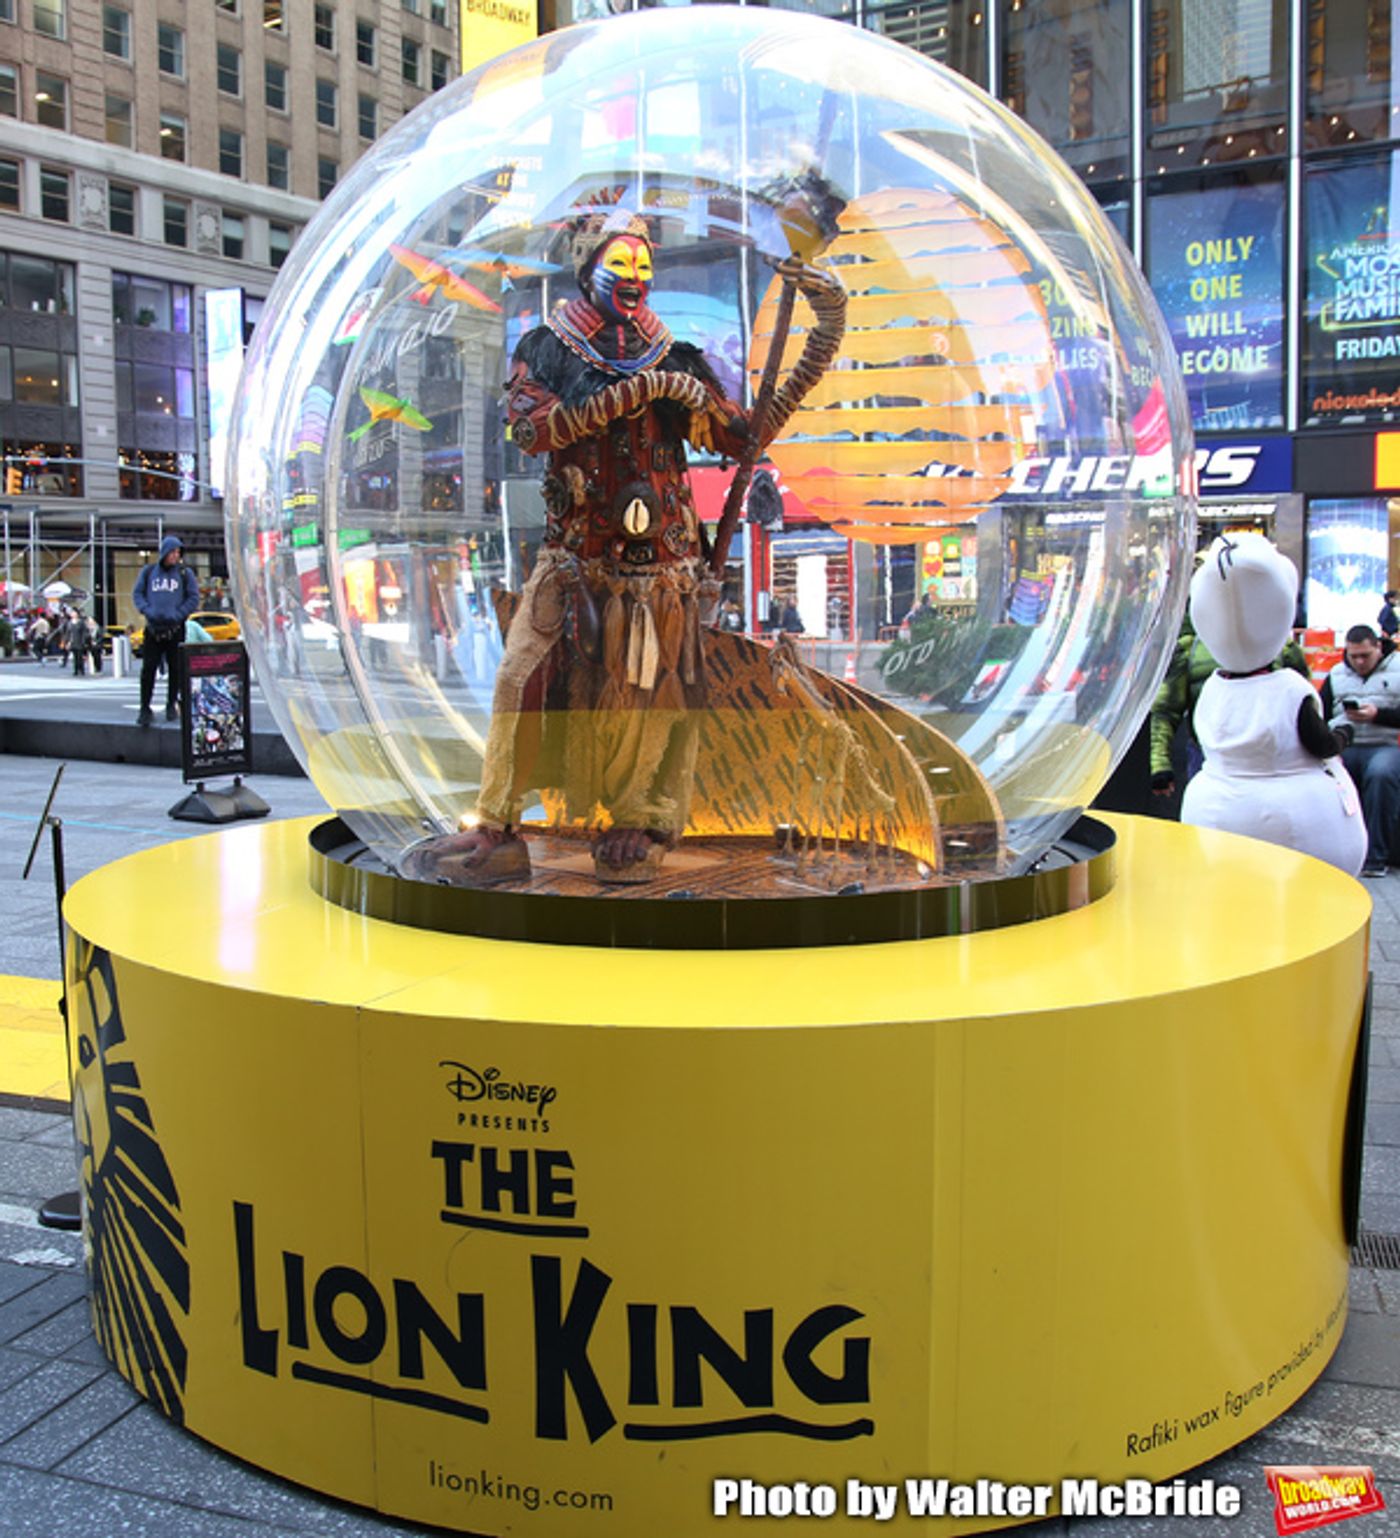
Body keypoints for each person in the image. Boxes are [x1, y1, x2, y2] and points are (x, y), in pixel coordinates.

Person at [415, 208, 845, 882]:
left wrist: (824, 334)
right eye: (621, 264)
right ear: (589, 269)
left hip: (660, 569)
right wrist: (635, 393)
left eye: (644, 265)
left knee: (645, 699)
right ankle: (497, 825)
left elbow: (742, 437)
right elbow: (532, 431)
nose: (635, 278)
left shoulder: (675, 355)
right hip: (574, 556)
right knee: (521, 676)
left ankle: (636, 821)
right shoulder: (549, 349)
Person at [1181, 534, 1366, 877]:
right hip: (1291, 823)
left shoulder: (1213, 687)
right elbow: (1319, 742)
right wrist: (1344, 733)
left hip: (1212, 807)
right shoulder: (1289, 688)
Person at [1150, 609, 1309, 798]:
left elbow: (1305, 706)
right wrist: (1160, 764)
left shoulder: (1281, 648)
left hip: (1269, 759)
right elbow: (1165, 711)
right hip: (1211, 756)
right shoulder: (1190, 650)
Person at [1321, 623, 1400, 877]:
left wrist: (1378, 715)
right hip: (1344, 744)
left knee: (1381, 774)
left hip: (1385, 743)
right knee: (1327, 777)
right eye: (1354, 656)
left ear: (1378, 647)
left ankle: (1375, 857)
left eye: (1365, 655)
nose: (1359, 662)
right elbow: (1320, 714)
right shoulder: (1336, 674)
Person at [133, 535, 200, 726]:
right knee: (148, 670)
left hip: (175, 628)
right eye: (172, 552)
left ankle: (172, 703)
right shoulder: (148, 572)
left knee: (176, 669)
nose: (176, 556)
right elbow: (137, 594)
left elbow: (193, 598)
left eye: (178, 553)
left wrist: (179, 614)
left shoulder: (185, 573)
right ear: (164, 552)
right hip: (153, 628)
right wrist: (147, 610)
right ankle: (144, 707)